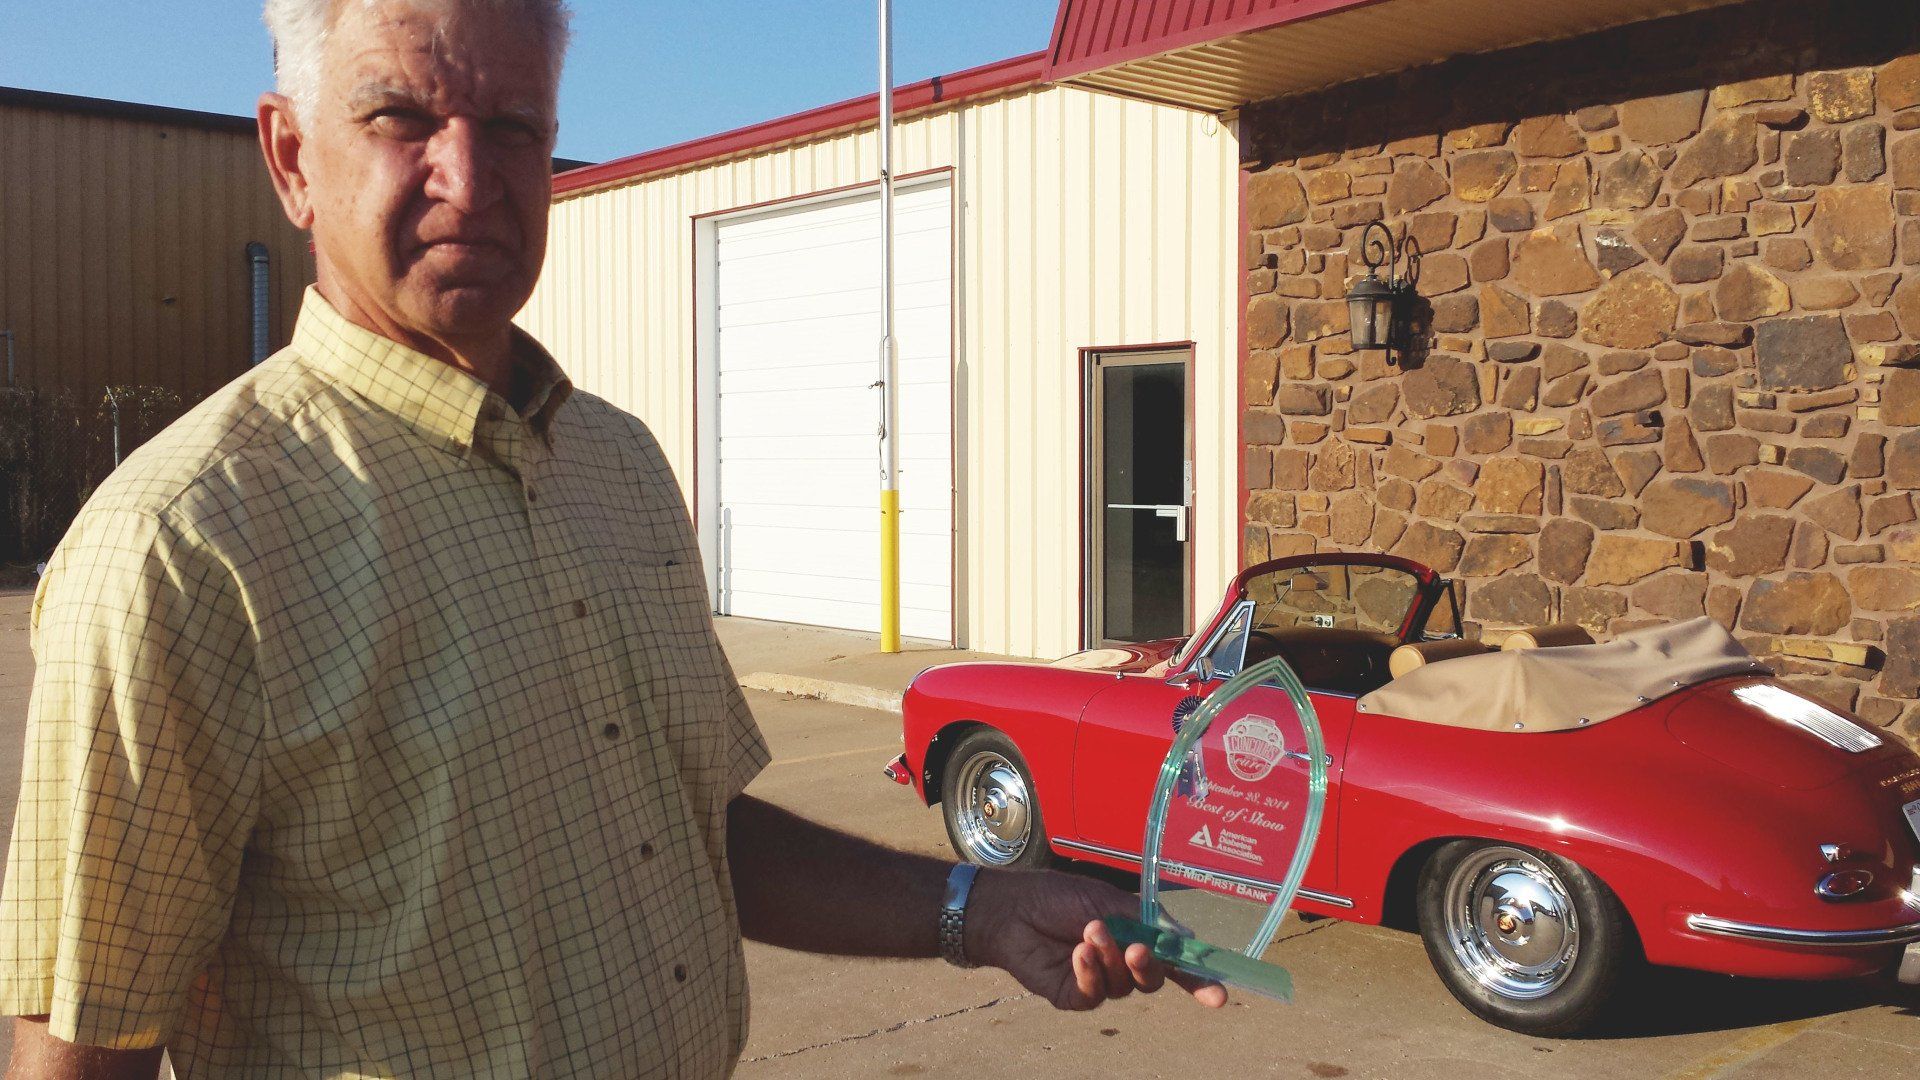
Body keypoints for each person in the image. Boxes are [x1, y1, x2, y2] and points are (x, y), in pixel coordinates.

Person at [0, 1, 1222, 1076]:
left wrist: (979, 905)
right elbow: (83, 1043)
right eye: (401, 117)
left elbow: (688, 832)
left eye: (517, 125)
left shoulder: (616, 465)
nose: (470, 177)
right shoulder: (184, 548)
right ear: (290, 158)